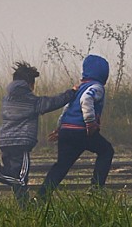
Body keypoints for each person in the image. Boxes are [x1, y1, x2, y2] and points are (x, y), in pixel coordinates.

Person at [0, 61, 75, 204]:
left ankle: (24, 208)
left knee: (15, 177)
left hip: (5, 142)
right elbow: (51, 102)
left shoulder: (7, 99)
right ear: (30, 84)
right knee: (20, 180)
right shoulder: (30, 100)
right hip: (20, 144)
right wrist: (71, 93)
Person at [39, 53, 114, 196]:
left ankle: (40, 198)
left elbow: (67, 107)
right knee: (106, 151)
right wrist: (90, 123)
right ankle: (96, 188)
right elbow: (86, 100)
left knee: (61, 166)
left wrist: (60, 128)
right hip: (82, 131)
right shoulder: (96, 87)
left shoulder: (79, 87)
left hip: (67, 131)